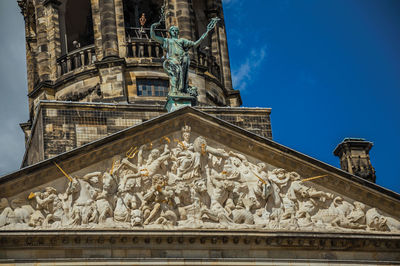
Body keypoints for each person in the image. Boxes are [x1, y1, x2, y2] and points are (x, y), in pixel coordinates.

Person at [150, 17, 220, 95]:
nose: (174, 32)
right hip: (173, 60)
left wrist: (202, 38)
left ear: (178, 32)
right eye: (172, 30)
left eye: (176, 30)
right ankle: (175, 91)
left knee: (182, 77)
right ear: (170, 32)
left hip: (183, 59)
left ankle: (180, 91)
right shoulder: (167, 41)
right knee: (176, 74)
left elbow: (194, 45)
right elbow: (153, 37)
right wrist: (153, 27)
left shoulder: (182, 41)